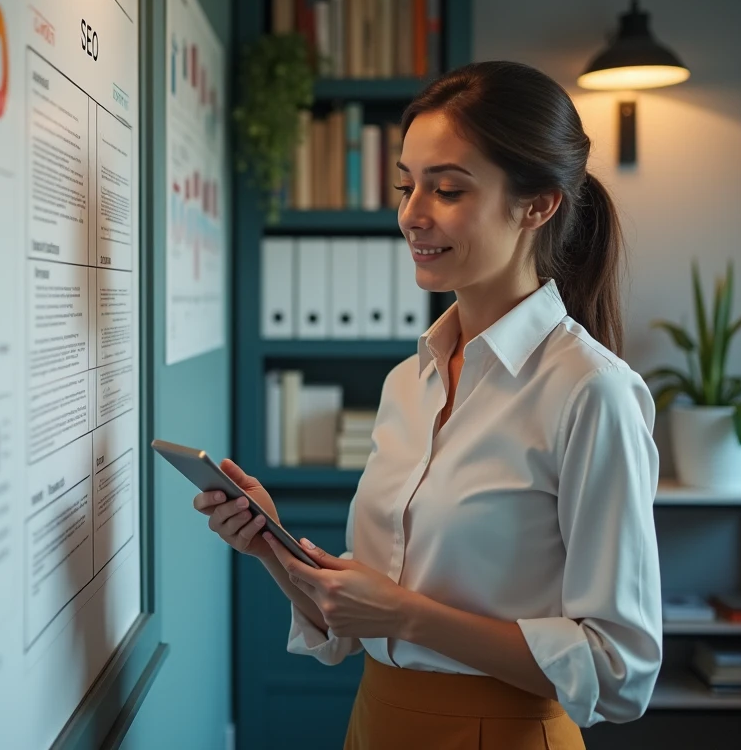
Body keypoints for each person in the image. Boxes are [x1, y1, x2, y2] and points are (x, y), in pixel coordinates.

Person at [193, 61, 663, 749]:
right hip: (375, 722)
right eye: (406, 185)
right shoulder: (406, 383)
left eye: (447, 189)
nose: (412, 215)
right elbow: (360, 618)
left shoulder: (592, 392)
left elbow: (620, 671)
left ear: (537, 205)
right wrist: (273, 546)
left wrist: (407, 616)